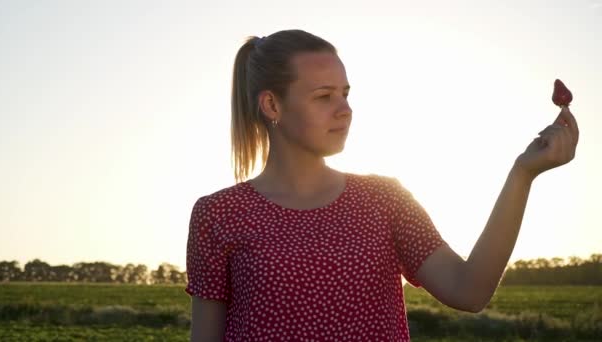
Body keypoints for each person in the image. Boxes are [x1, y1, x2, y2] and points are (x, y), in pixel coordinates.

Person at [185, 29, 579, 341]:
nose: (345, 110)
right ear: (272, 105)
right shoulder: (217, 213)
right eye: (323, 96)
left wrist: (522, 174)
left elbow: (470, 291)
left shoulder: (384, 199)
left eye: (345, 93)